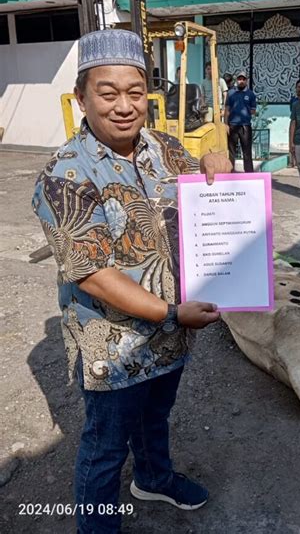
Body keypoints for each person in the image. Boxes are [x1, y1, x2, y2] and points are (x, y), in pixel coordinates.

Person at [31, 29, 232, 534]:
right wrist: (169, 313)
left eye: (135, 92)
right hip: (113, 343)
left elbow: (204, 196)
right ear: (82, 97)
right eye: (108, 92)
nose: (124, 105)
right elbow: (95, 277)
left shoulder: (163, 148)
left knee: (155, 417)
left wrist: (212, 165)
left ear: (148, 96)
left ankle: (153, 477)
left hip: (171, 331)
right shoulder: (64, 176)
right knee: (104, 447)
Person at [224, 70, 257, 173]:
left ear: (246, 81)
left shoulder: (251, 94)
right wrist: (225, 125)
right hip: (232, 126)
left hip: (245, 127)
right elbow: (227, 110)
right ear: (236, 80)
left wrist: (244, 112)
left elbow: (253, 110)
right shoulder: (231, 93)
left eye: (243, 79)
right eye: (239, 79)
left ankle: (249, 175)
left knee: (246, 152)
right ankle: (230, 173)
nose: (241, 81)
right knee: (231, 152)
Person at [288, 79, 300, 167]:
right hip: (294, 122)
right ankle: (292, 161)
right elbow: (291, 110)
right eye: (298, 87)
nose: (299, 89)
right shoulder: (293, 100)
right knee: (291, 141)